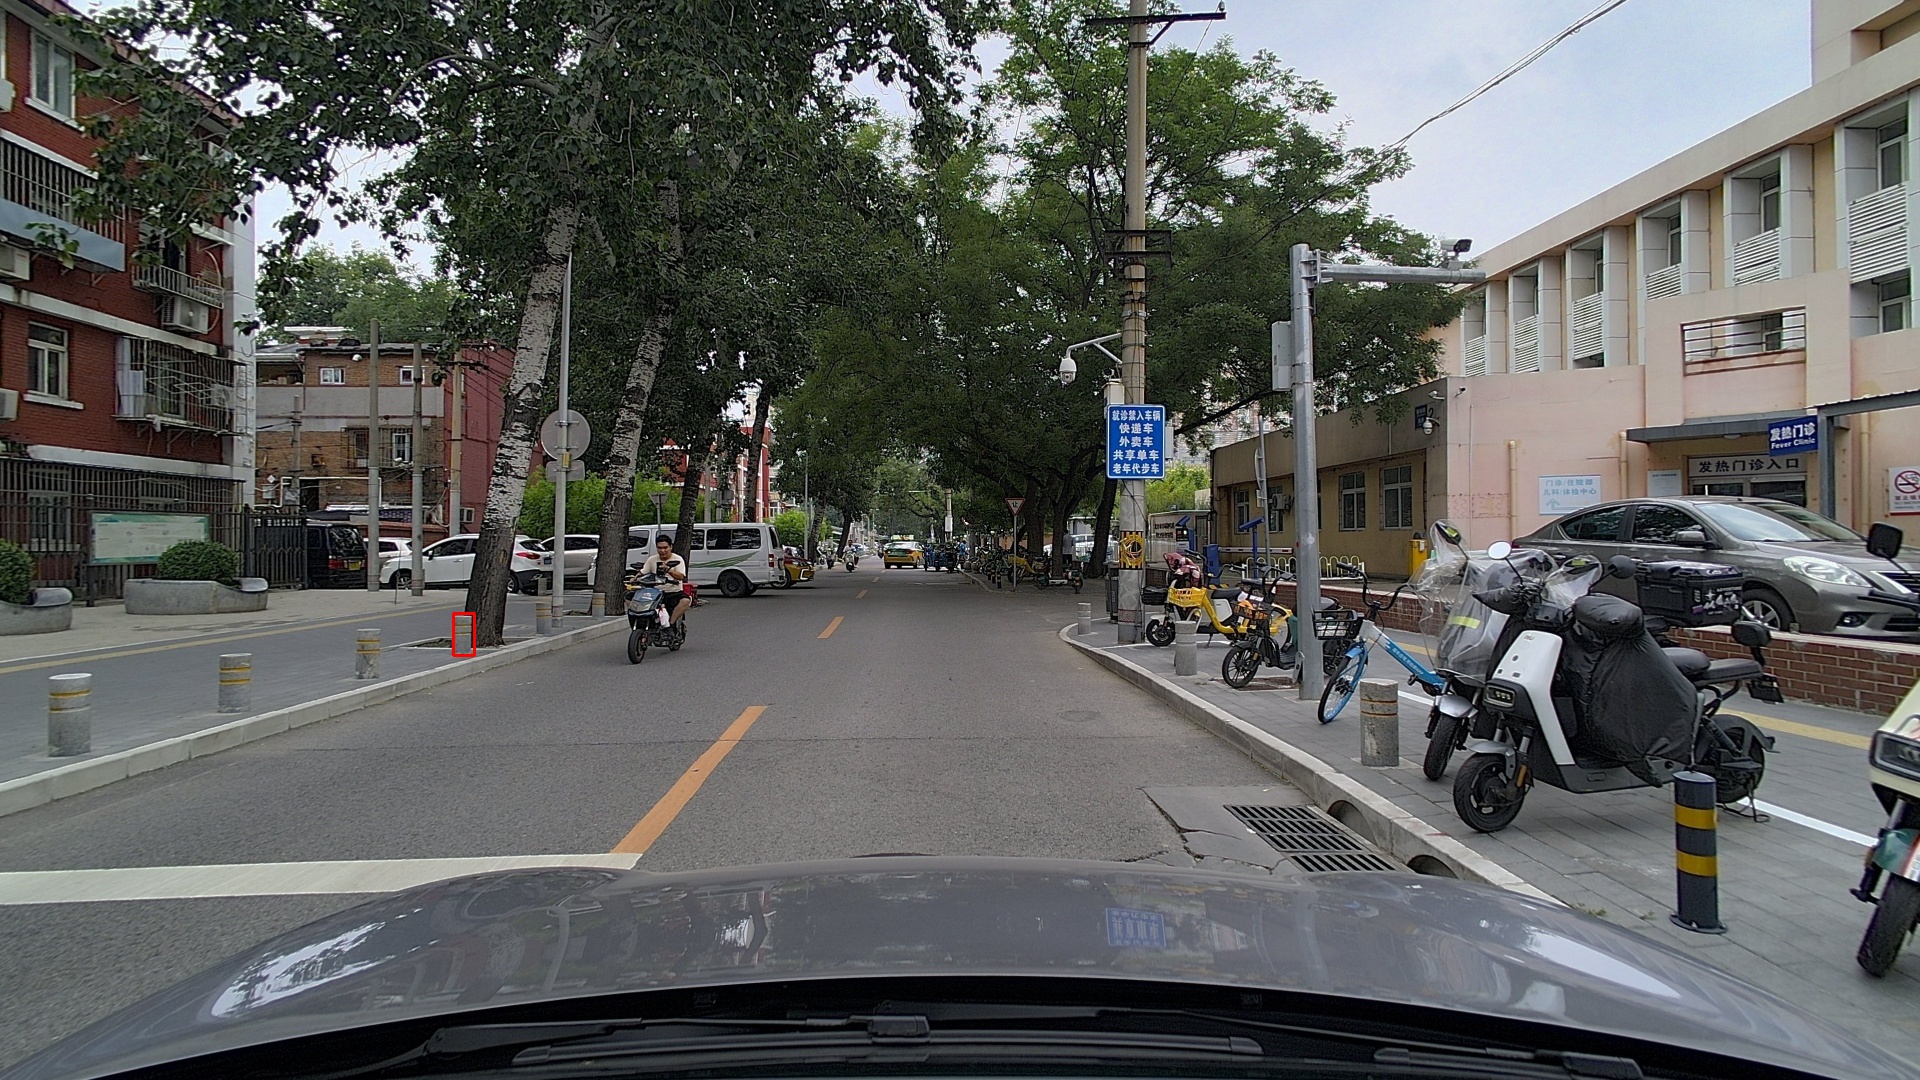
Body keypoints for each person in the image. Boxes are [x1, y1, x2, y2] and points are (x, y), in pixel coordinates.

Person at [639, 535, 693, 626]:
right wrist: (634, 578)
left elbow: (681, 576)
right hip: (655, 593)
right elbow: (643, 572)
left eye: (665, 548)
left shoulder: (678, 559)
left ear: (671, 547)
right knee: (630, 597)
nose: (662, 551)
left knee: (685, 600)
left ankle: (670, 625)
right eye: (659, 548)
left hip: (673, 592)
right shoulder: (651, 559)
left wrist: (668, 570)